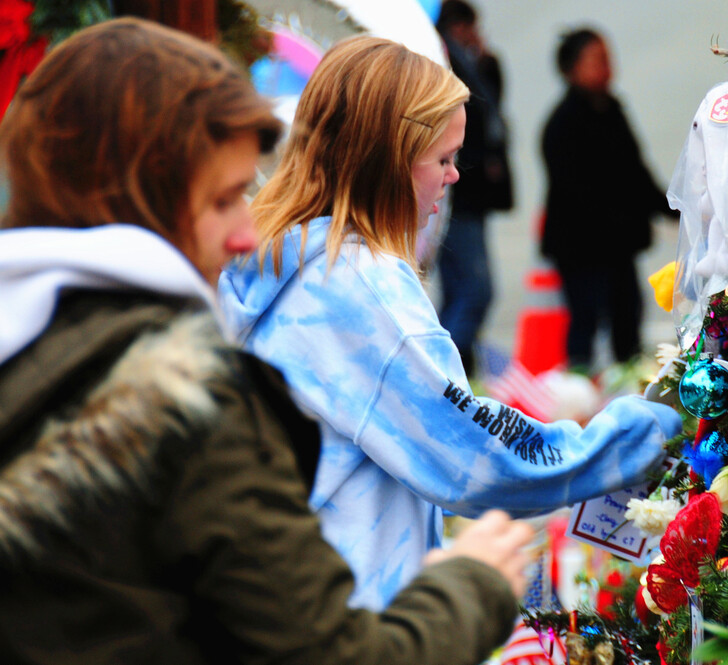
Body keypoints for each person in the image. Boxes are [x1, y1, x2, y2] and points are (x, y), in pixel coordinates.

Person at [0, 18, 533, 665]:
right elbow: (330, 653)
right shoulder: (188, 403)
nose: (246, 233)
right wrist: (471, 584)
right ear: (144, 198)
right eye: (225, 199)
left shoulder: (35, 352)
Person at [218, 35, 683, 611]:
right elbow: (481, 460)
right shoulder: (366, 290)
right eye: (442, 159)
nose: (454, 175)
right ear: (388, 161)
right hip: (344, 611)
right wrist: (648, 429)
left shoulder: (279, 258)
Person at [540, 28, 676, 374]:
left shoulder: (612, 109)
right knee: (585, 320)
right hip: (581, 246)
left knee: (628, 315)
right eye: (597, 60)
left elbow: (637, 172)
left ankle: (628, 383)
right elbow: (576, 194)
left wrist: (673, 208)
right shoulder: (562, 124)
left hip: (617, 244)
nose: (607, 68)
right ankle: (579, 387)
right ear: (572, 69)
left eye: (607, 58)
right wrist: (623, 218)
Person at [434, 0, 514, 376]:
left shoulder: (471, 63)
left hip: (466, 196)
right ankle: (444, 369)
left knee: (458, 290)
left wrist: (485, 63)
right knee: (475, 289)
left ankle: (455, 368)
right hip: (458, 198)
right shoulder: (444, 61)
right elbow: (479, 116)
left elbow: (492, 105)